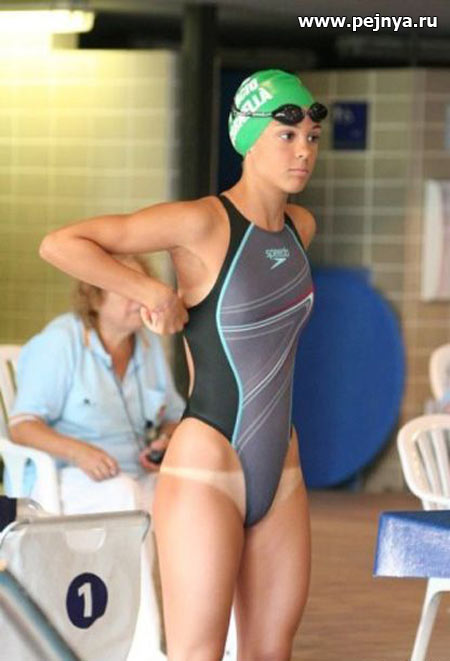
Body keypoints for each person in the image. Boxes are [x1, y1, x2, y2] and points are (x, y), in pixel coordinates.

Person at [38, 69, 327, 660]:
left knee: (271, 651)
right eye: (286, 134)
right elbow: (61, 243)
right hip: (206, 466)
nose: (303, 150)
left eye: (312, 137)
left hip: (282, 467)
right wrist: (149, 292)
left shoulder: (301, 228)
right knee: (199, 653)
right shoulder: (201, 223)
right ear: (247, 139)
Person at [8, 253, 185, 658]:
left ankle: (213, 644)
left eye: (143, 287)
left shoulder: (147, 346)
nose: (139, 298)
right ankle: (142, 648)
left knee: (195, 498)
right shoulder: (61, 342)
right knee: (125, 497)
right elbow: (23, 425)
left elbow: (175, 417)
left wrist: (165, 441)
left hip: (135, 473)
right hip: (68, 476)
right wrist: (79, 452)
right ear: (95, 296)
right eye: (126, 288)